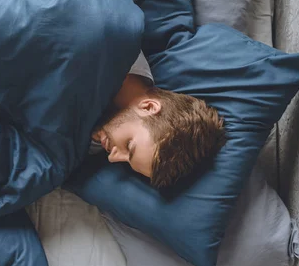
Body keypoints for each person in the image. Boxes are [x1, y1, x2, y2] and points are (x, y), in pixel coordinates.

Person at [90, 52, 226, 189]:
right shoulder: (111, 51)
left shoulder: (95, 138)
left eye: (125, 161)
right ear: (148, 107)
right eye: (129, 145)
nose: (112, 158)